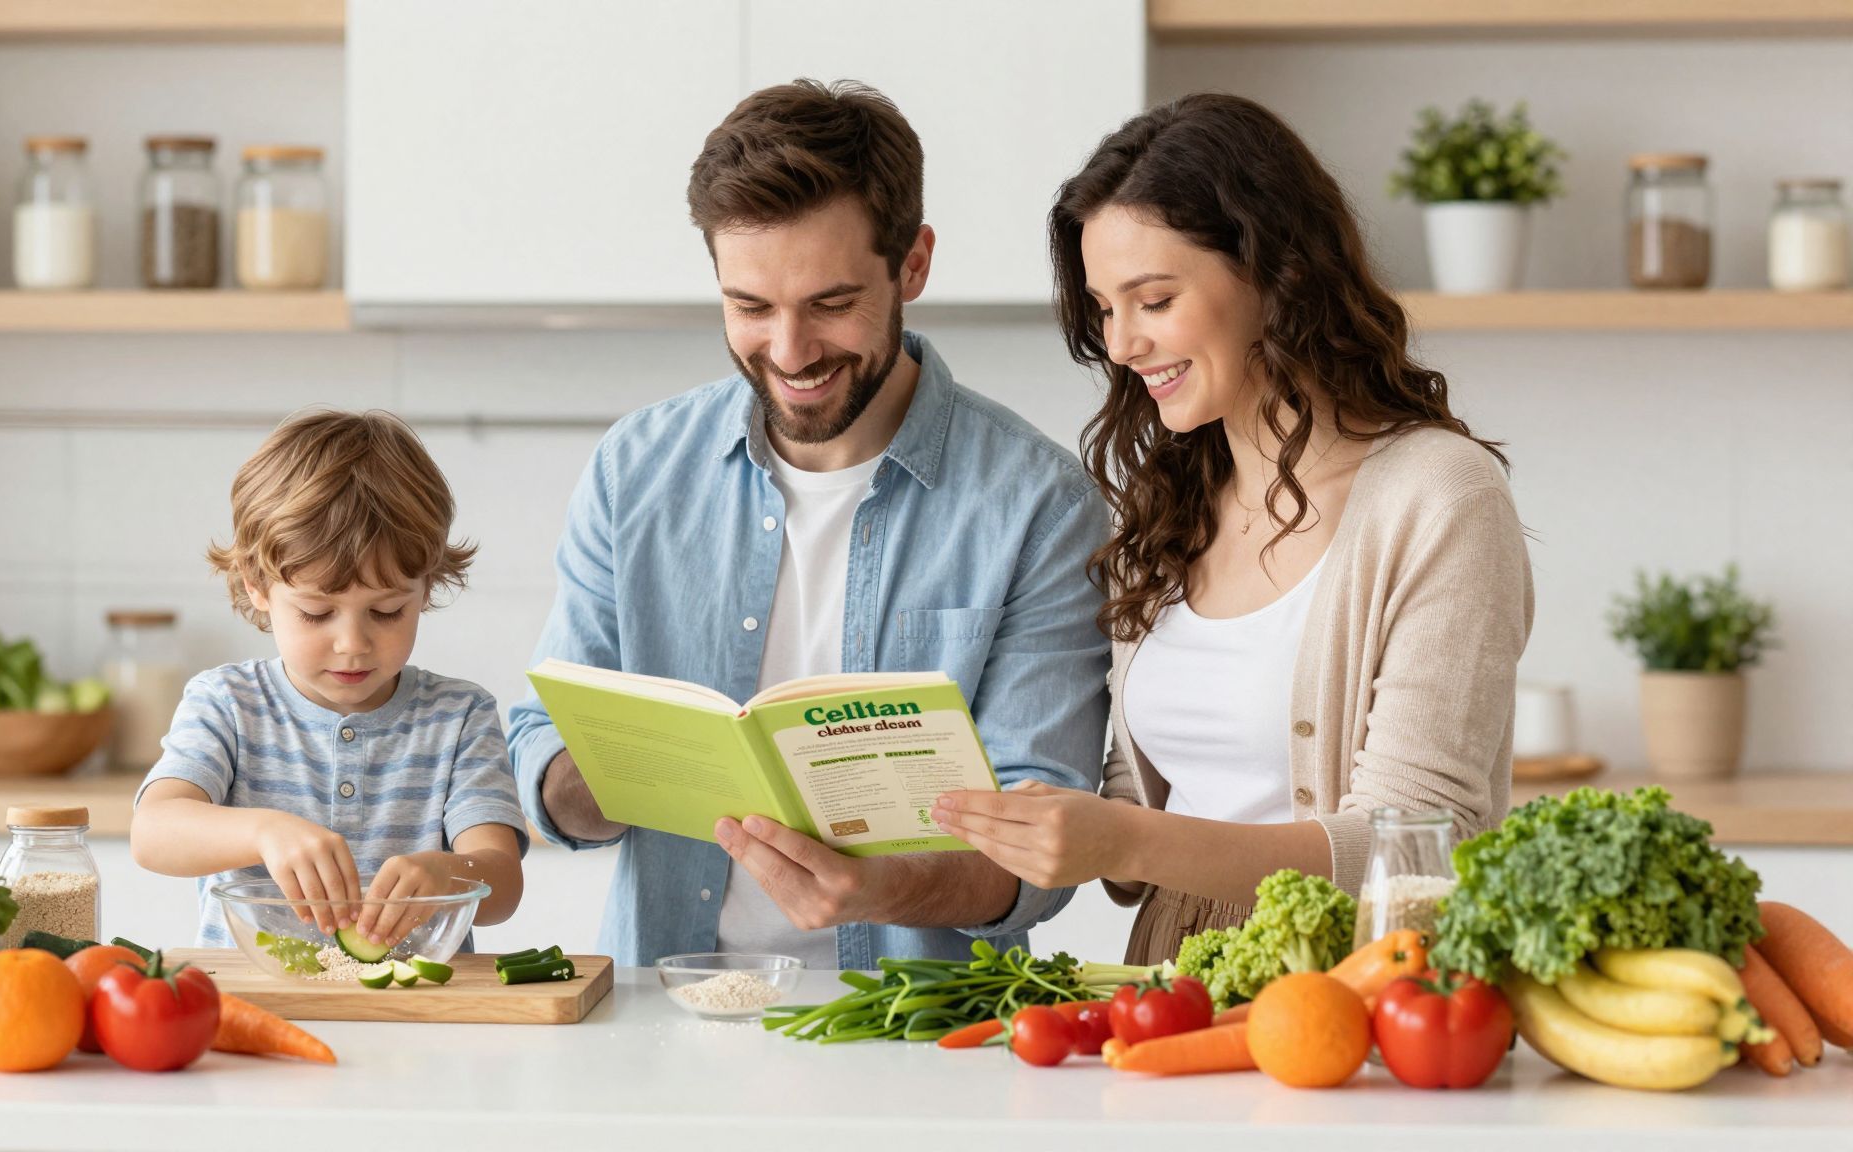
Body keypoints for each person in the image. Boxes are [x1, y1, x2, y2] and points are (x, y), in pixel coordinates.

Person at [505, 80, 1111, 969]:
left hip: (912, 1033)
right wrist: (602, 778)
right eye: (750, 308)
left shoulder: (1038, 504)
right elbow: (539, 745)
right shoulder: (636, 468)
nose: (789, 354)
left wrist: (882, 887)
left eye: (830, 304)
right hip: (667, 1013)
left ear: (912, 264)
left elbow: (1040, 850)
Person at [932, 93, 1533, 963]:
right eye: (1105, 308)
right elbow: (1137, 823)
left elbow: (1415, 845)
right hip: (1169, 983)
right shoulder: (1171, 506)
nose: (1123, 344)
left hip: (1352, 989)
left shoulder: (1440, 498)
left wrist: (1121, 839)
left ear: (1272, 273)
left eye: (1154, 299)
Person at [132, 409, 527, 951]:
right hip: (252, 1007)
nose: (353, 643)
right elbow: (153, 833)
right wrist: (262, 831)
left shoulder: (458, 716)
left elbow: (503, 882)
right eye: (317, 613)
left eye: (387, 611)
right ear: (258, 588)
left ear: (427, 587)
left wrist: (448, 875)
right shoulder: (227, 703)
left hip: (420, 1011)